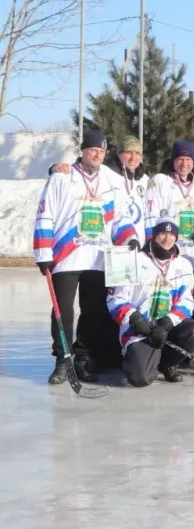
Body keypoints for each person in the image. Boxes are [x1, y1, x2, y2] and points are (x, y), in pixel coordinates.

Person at [33, 129, 139, 384]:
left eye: (101, 151)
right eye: (93, 150)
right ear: (83, 151)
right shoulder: (62, 177)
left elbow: (121, 217)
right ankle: (62, 358)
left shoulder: (112, 180)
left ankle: (82, 356)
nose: (97, 155)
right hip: (67, 255)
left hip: (99, 257)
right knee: (63, 310)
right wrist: (43, 251)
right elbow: (45, 212)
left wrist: (129, 237)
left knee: (93, 311)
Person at [106, 218, 194, 387]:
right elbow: (114, 299)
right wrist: (136, 319)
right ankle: (136, 357)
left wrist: (167, 322)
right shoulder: (131, 259)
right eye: (162, 234)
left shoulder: (184, 264)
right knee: (141, 379)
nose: (167, 239)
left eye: (171, 235)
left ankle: (168, 363)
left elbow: (187, 301)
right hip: (140, 329)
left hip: (167, 327)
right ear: (153, 236)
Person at [50, 135, 149, 247]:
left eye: (137, 153)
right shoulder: (108, 174)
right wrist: (54, 168)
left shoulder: (145, 180)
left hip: (136, 243)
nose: (133, 157)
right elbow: (82, 170)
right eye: (128, 152)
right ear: (119, 154)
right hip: (109, 243)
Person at [145, 140, 194, 272]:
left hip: (192, 256)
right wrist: (152, 246)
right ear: (173, 161)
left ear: (193, 162)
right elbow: (150, 217)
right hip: (166, 255)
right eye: (180, 159)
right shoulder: (161, 181)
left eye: (188, 159)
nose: (184, 164)